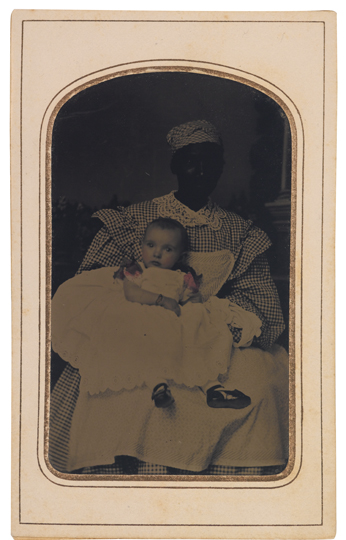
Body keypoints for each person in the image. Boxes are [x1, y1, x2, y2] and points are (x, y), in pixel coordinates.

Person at [49, 120, 288, 475]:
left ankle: (238, 475)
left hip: (201, 324)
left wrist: (221, 318)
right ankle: (127, 457)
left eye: (210, 162)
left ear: (221, 168)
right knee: (126, 376)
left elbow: (263, 304)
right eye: (191, 161)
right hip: (142, 320)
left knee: (261, 377)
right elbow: (97, 281)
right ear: (175, 164)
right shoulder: (135, 221)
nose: (201, 170)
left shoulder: (239, 231)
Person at [52, 216, 260, 412]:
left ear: (180, 255)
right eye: (151, 246)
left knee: (194, 334)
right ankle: (158, 386)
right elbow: (131, 293)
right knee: (149, 342)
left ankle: (212, 388)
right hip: (147, 312)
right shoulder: (137, 269)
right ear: (142, 245)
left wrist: (193, 307)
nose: (157, 254)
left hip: (173, 316)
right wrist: (161, 300)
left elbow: (192, 299)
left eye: (167, 249)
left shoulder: (184, 276)